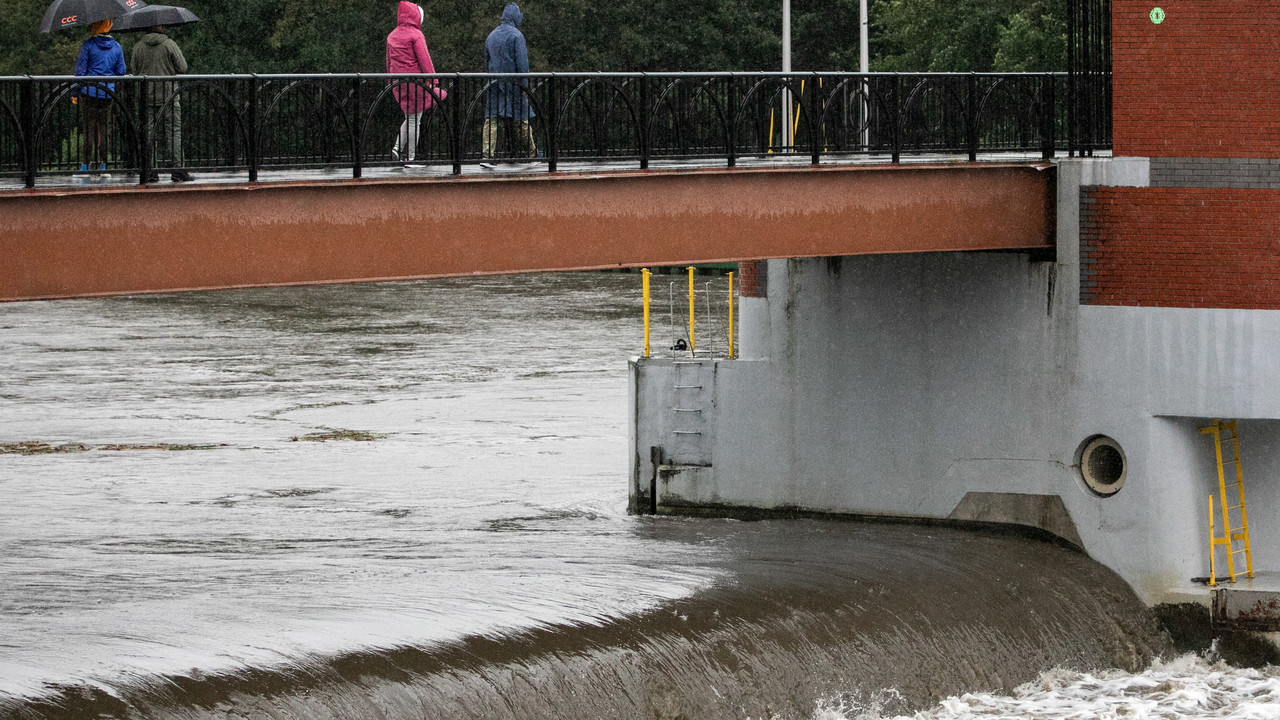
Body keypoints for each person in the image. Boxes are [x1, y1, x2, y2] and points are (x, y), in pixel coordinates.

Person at [386, 1, 445, 169]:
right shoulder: (416, 35)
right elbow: (425, 60)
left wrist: (391, 81)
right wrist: (432, 80)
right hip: (416, 82)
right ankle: (410, 158)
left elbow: (388, 61)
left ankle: (398, 148)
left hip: (399, 82)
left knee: (410, 116)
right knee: (415, 120)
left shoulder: (392, 36)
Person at [131, 24, 192, 182]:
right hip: (169, 94)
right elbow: (183, 67)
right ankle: (178, 170)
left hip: (146, 95)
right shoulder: (169, 44)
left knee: (149, 133)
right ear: (161, 26)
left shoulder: (138, 47)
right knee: (173, 132)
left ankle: (150, 171)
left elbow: (135, 70)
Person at [482, 2, 536, 167]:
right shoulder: (516, 36)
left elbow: (486, 61)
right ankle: (531, 154)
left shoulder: (491, 35)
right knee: (521, 120)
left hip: (494, 83)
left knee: (491, 119)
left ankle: (487, 155)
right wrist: (525, 85)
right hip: (514, 85)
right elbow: (522, 64)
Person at [73, 19, 126, 179]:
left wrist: (75, 92)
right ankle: (103, 166)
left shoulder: (88, 46)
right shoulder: (117, 47)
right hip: (107, 93)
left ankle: (86, 166)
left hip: (89, 92)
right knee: (104, 129)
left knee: (89, 129)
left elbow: (80, 72)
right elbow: (121, 71)